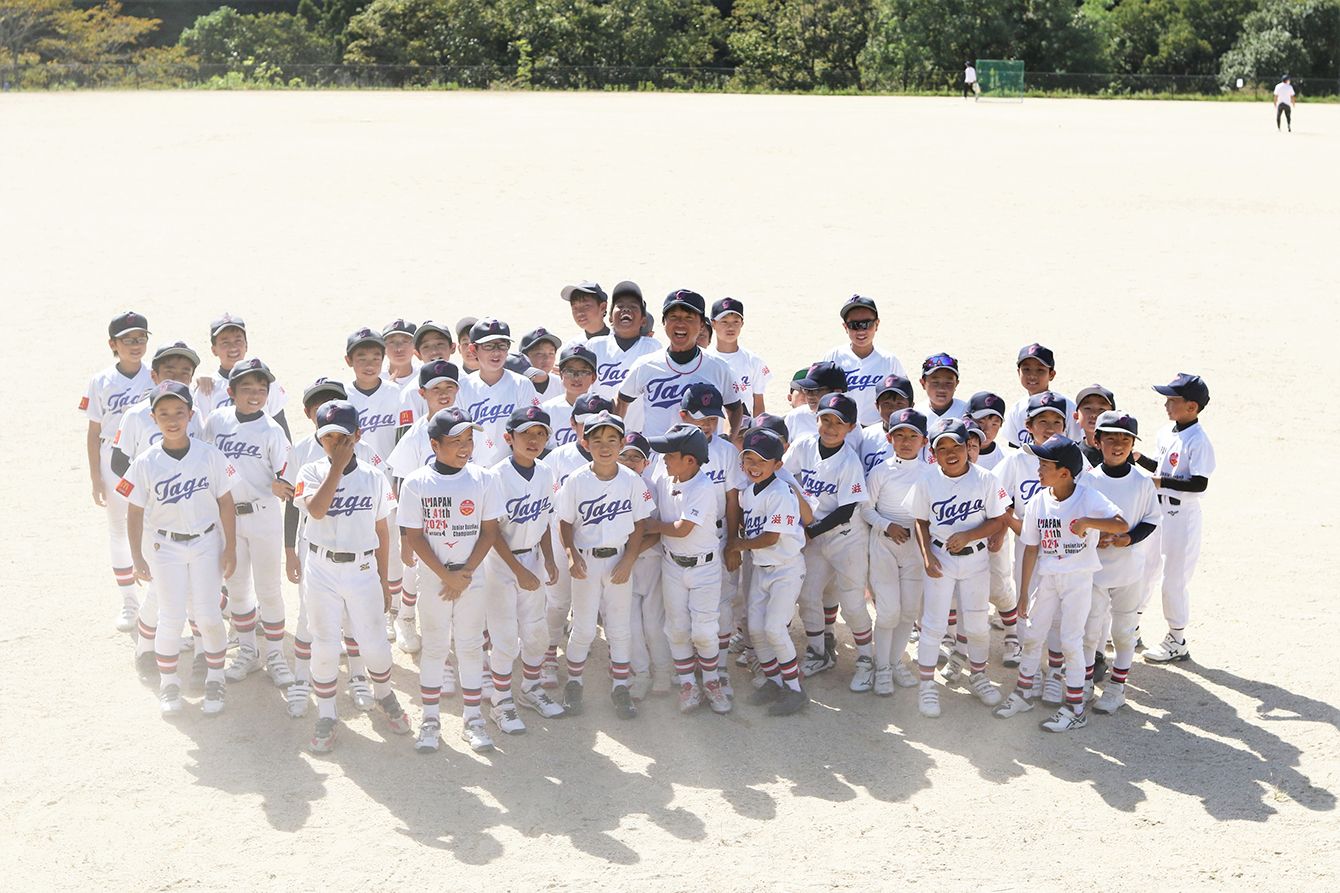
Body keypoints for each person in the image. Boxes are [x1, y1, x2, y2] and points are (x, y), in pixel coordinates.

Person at [293, 400, 411, 752]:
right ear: (319, 439)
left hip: (362, 567)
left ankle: (385, 694)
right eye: (328, 437)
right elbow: (316, 510)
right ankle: (327, 714)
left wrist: (384, 578)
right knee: (325, 643)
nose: (335, 444)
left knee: (374, 641)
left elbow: (382, 531)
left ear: (358, 435)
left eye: (342, 437)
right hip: (321, 567)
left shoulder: (374, 476)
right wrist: (336, 469)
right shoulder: (310, 472)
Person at [121, 381, 238, 717]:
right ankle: (169, 683)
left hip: (205, 541)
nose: (172, 420)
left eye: (179, 412)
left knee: (208, 614)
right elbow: (134, 511)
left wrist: (230, 548)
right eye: (164, 414)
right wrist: (136, 556)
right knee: (171, 616)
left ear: (190, 414)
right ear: (153, 418)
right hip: (166, 545)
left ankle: (215, 678)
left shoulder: (209, 454)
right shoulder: (145, 461)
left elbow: (226, 503)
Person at [993, 435, 1125, 732]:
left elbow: (1121, 524)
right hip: (1048, 578)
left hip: (1078, 579)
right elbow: (1031, 548)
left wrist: (1088, 522)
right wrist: (1024, 593)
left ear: (1064, 472)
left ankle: (1075, 709)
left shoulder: (1088, 497)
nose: (1038, 470)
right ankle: (1023, 694)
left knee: (1070, 641)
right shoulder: (1038, 500)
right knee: (1033, 634)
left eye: (1044, 465)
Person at [399, 407, 503, 754]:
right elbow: (414, 536)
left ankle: (473, 720)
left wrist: (465, 574)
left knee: (471, 646)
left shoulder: (484, 479)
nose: (465, 447)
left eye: (469, 440)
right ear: (434, 445)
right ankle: (430, 720)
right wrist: (447, 576)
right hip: (435, 577)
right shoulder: (416, 482)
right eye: (456, 441)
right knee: (435, 646)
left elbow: (489, 532)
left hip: (471, 575)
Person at [285, 378, 387, 718]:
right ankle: (302, 681)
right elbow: (297, 505)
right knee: (310, 619)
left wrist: (384, 575)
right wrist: (289, 549)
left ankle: (358, 677)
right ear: (312, 418)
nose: (335, 439)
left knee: (353, 620)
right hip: (315, 545)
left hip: (358, 550)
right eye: (320, 405)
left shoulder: (367, 455)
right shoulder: (304, 452)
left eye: (334, 401)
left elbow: (379, 518)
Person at [904, 418, 1009, 718]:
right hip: (941, 556)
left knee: (976, 624)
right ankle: (927, 685)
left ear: (968, 447)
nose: (951, 453)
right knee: (934, 624)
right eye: (942, 448)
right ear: (933, 453)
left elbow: (998, 519)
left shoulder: (986, 478)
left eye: (957, 446)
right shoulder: (927, 480)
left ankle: (978, 675)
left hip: (976, 558)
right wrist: (927, 556)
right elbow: (920, 521)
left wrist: (970, 535)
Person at [555, 411, 654, 719]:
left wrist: (629, 559)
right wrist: (571, 555)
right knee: (584, 627)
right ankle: (574, 683)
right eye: (597, 440)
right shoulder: (576, 480)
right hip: (586, 560)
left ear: (622, 443)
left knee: (619, 628)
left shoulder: (632, 480)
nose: (605, 446)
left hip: (618, 559)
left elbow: (640, 524)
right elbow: (564, 521)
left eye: (612, 440)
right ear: (586, 444)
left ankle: (620, 687)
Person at [203, 358, 296, 688]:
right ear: (231, 392)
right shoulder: (217, 420)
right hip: (227, 517)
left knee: (269, 589)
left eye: (261, 389)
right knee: (238, 587)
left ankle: (275, 655)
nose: (255, 395)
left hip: (263, 514)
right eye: (247, 388)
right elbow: (204, 460)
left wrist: (279, 484)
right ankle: (247, 651)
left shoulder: (272, 430)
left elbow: (288, 477)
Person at [784, 393, 873, 691]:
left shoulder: (849, 460)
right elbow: (783, 475)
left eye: (839, 422)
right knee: (807, 594)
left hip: (846, 537)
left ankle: (866, 659)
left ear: (851, 427)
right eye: (826, 419)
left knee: (852, 602)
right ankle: (818, 652)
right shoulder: (804, 445)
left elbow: (846, 510)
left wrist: (809, 531)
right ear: (817, 419)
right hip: (814, 534)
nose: (831, 427)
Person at [485, 406, 567, 723]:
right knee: (505, 636)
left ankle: (530, 689)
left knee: (536, 632)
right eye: (526, 433)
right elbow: (490, 532)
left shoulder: (545, 472)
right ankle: (500, 701)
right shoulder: (495, 476)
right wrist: (519, 571)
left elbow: (543, 519)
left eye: (540, 433)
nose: (533, 440)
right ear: (509, 438)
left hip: (532, 557)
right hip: (500, 562)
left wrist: (549, 558)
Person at [648, 424, 729, 715]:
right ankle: (687, 684)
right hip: (672, 564)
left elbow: (682, 529)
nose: (664, 459)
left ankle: (711, 681)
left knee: (704, 631)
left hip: (704, 568)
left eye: (670, 455)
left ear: (690, 460)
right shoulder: (665, 477)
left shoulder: (703, 487)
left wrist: (650, 526)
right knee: (678, 629)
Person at [727, 427, 809, 716]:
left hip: (786, 569)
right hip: (763, 568)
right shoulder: (749, 492)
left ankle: (795, 689)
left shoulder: (781, 492)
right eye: (749, 459)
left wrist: (737, 544)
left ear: (777, 465)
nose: (754, 466)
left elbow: (772, 537)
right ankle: (774, 681)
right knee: (756, 629)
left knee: (774, 628)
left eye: (762, 461)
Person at [1083, 411, 1160, 713]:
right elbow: (1076, 519)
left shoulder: (1142, 482)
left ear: (1133, 445)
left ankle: (1117, 687)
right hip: (1094, 569)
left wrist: (1128, 538)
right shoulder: (1087, 480)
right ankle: (1085, 682)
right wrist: (1094, 536)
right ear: (1097, 441)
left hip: (1129, 569)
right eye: (1111, 438)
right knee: (1090, 629)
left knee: (1123, 631)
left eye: (1125, 440)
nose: (1118, 445)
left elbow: (1151, 519)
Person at [84, 310, 156, 631]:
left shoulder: (155, 374)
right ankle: (129, 602)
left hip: (149, 457)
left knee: (153, 525)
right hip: (112, 456)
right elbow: (93, 431)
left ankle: (156, 600)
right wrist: (95, 476)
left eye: (140, 338)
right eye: (127, 340)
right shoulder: (100, 381)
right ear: (113, 344)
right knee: (118, 528)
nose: (135, 344)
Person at [1137, 373, 1214, 664]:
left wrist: (1160, 483)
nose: (1166, 405)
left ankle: (1177, 639)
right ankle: (1132, 624)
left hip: (1182, 515)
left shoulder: (1199, 440)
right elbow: (1162, 467)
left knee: (1174, 578)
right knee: (1146, 568)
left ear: (1192, 406)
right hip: (1159, 512)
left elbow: (1199, 483)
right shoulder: (1165, 432)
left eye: (1172, 400)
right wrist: (1139, 459)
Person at [344, 326, 409, 639]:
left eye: (375, 357)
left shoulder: (397, 394)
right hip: (352, 484)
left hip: (387, 482)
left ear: (384, 360)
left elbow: (403, 440)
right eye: (361, 358)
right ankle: (357, 612)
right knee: (358, 546)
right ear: (349, 361)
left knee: (390, 548)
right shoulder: (342, 395)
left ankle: (391, 609)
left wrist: (398, 481)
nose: (369, 364)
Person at [861, 408, 930, 694]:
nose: (905, 441)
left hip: (915, 547)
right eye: (899, 435)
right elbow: (865, 509)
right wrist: (887, 525)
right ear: (889, 438)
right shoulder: (881, 471)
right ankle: (882, 668)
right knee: (888, 611)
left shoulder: (930, 474)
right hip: (884, 544)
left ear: (924, 441)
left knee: (909, 610)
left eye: (913, 436)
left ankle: (894, 661)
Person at [617, 290, 741, 438]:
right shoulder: (645, 365)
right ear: (664, 322)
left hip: (704, 452)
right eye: (673, 317)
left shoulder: (718, 367)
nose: (680, 323)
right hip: (656, 451)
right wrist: (616, 437)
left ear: (702, 324)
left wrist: (728, 440)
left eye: (689, 317)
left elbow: (735, 408)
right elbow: (621, 401)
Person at [619, 433, 673, 699]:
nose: (630, 462)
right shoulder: (611, 485)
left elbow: (655, 531)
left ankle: (663, 670)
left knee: (653, 621)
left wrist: (630, 556)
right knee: (629, 623)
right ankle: (640, 673)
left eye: (636, 458)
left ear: (646, 463)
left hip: (649, 560)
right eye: (625, 456)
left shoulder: (651, 488)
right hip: (620, 563)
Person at [460, 318, 540, 468]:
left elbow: (531, 430)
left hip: (513, 468)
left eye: (502, 345)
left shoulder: (521, 384)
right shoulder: (462, 387)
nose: (496, 352)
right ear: (473, 349)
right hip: (472, 470)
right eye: (488, 346)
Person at [194, 313, 291, 435]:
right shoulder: (207, 388)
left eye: (238, 340)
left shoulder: (265, 380)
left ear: (246, 345)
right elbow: (200, 433)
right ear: (214, 350)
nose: (233, 347)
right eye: (225, 342)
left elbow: (279, 422)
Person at [821, 295, 908, 427]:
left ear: (877, 324)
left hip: (877, 428)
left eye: (867, 324)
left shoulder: (889, 361)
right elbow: (819, 394)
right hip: (841, 429)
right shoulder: (833, 357)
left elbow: (904, 398)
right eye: (854, 325)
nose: (861, 330)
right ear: (845, 327)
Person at [1004, 343, 1081, 447]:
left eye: (1040, 370)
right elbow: (1015, 448)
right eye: (1026, 369)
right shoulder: (1016, 410)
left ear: (1051, 374)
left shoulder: (1067, 406)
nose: (1032, 375)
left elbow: (1078, 444)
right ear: (1019, 372)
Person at [707, 297, 771, 419]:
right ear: (713, 324)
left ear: (742, 323)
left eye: (736, 321)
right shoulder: (705, 360)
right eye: (724, 322)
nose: (730, 327)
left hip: (743, 428)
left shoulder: (753, 361)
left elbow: (758, 403)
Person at [542, 343, 598, 449]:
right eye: (570, 371)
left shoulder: (602, 408)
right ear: (561, 375)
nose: (576, 378)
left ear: (593, 377)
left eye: (583, 372)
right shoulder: (547, 409)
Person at [518, 327, 564, 397]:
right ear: (525, 357)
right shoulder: (516, 385)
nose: (547, 359)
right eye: (539, 354)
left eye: (551, 353)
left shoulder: (563, 385)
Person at [381, 319, 419, 387]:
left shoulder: (424, 376)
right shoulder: (375, 378)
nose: (399, 349)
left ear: (415, 346)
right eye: (392, 342)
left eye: (405, 342)